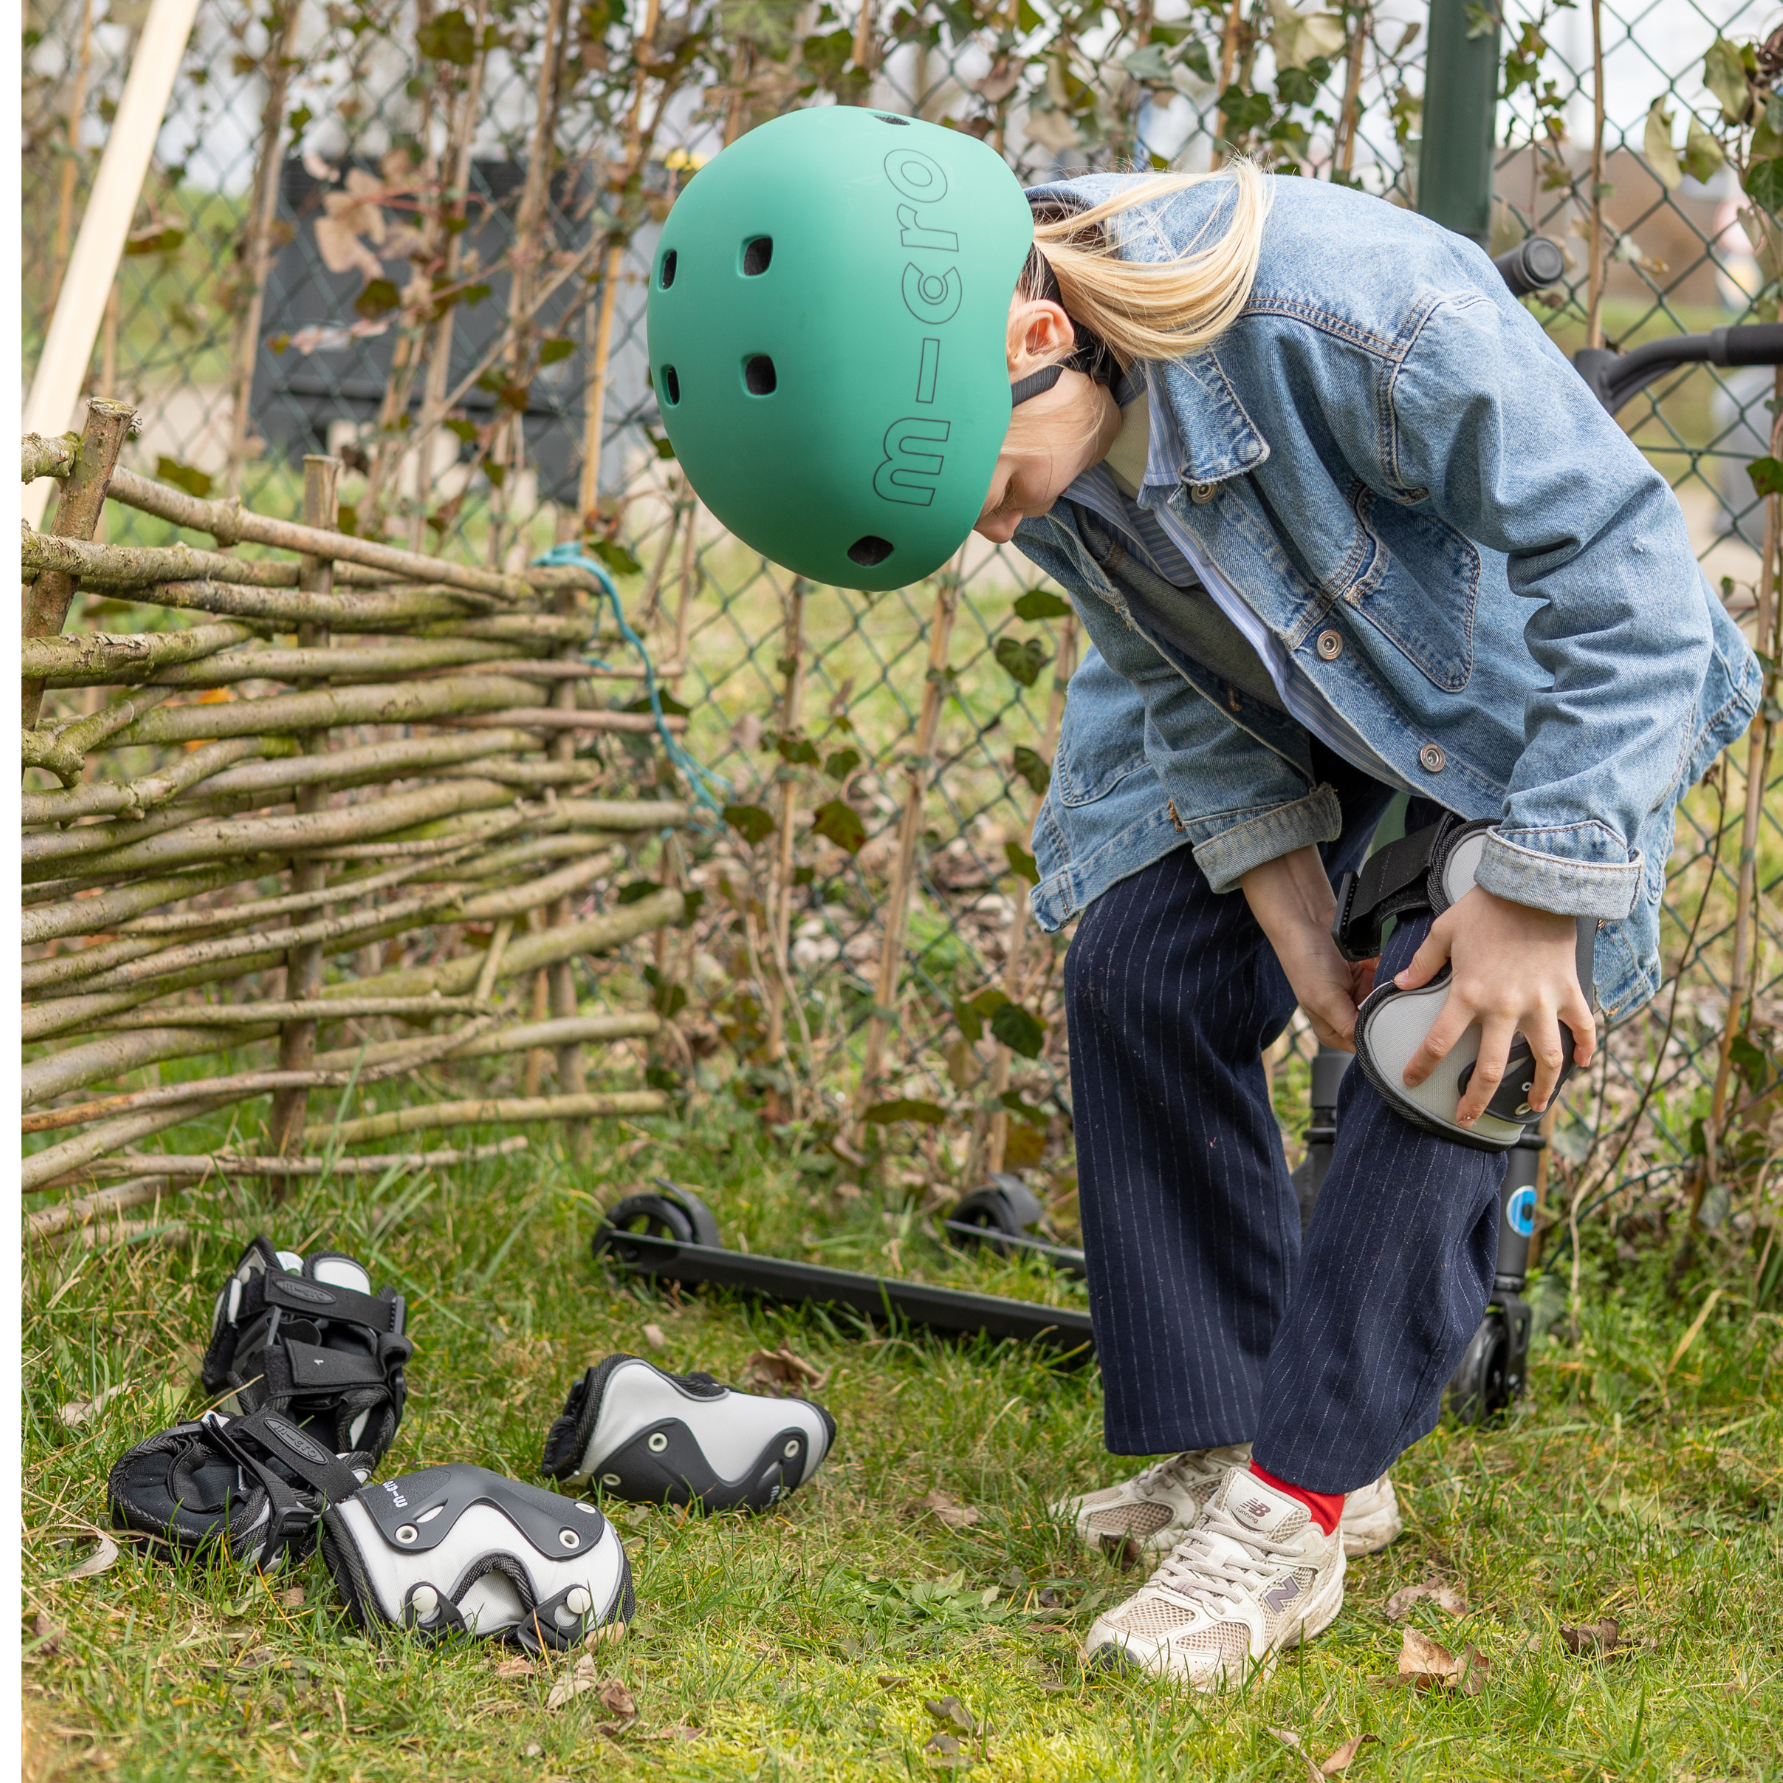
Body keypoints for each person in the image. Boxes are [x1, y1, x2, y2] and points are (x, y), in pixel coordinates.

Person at [647, 108, 1759, 1688]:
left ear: (1039, 341)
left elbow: (1635, 579)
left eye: (987, 488)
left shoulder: (1355, 316)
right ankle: (1226, 1436)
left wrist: (1538, 894)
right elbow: (1166, 647)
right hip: (1302, 700)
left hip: (1543, 705)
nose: (997, 526)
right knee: (1143, 971)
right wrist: (1277, 879)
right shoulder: (1019, 392)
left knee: (1448, 1035)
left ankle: (1295, 1509)